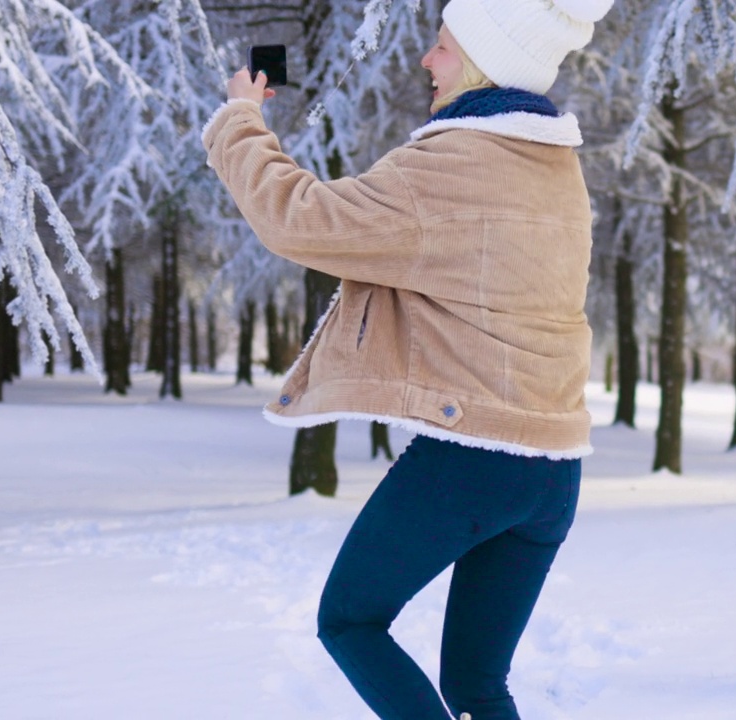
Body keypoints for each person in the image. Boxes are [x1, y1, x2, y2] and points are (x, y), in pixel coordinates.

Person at [201, 0, 613, 718]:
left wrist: (242, 120)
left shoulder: (454, 161)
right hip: (554, 471)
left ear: (486, 60)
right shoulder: (556, 168)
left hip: (474, 461)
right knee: (478, 687)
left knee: (350, 620)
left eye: (444, 46)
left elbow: (298, 219)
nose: (427, 59)